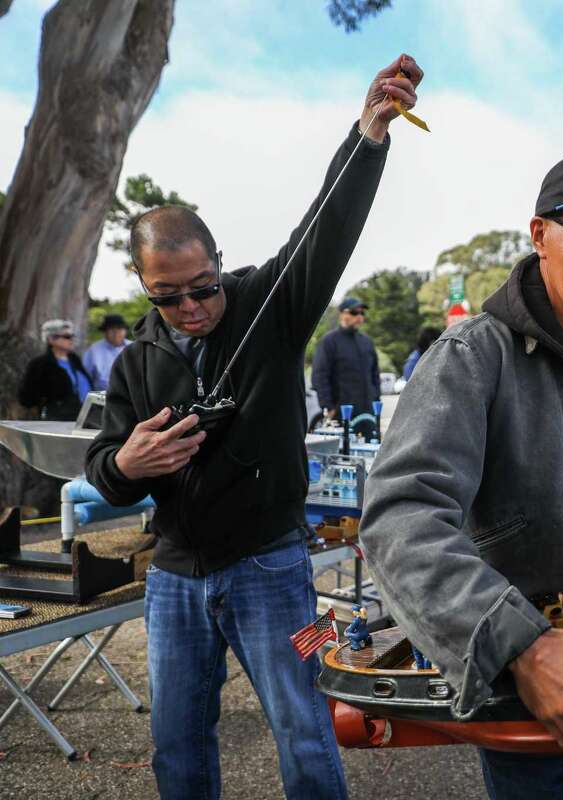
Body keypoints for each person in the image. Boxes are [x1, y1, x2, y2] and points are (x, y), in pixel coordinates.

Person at [84, 54, 422, 799]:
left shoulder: (270, 306)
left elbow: (325, 227)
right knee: (175, 743)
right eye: (169, 297)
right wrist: (128, 466)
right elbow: (102, 466)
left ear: (219, 265)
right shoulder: (136, 360)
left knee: (303, 729)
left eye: (203, 287)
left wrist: (368, 134)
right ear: (144, 288)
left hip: (270, 565)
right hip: (173, 574)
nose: (193, 307)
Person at [359, 147, 563, 799]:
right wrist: (523, 646)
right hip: (525, 691)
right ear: (540, 234)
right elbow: (401, 518)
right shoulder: (471, 359)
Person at [312, 295, 382, 434]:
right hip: (341, 413)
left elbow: (374, 375)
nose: (359, 317)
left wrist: (376, 399)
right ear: (343, 313)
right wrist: (328, 406)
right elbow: (320, 376)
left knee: (370, 451)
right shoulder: (329, 341)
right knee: (344, 454)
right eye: (355, 312)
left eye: (362, 313)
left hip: (367, 413)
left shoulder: (367, 342)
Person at [18, 319, 92, 421]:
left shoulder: (74, 360)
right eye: (67, 337)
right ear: (51, 339)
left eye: (72, 336)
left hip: (84, 416)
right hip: (57, 420)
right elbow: (27, 398)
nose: (71, 340)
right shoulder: (40, 364)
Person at [82, 313, 129, 391]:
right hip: (102, 398)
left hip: (131, 398)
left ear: (125, 331)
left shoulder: (134, 348)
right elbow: (85, 378)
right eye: (112, 330)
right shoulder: (93, 351)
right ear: (105, 332)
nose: (116, 333)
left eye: (120, 329)